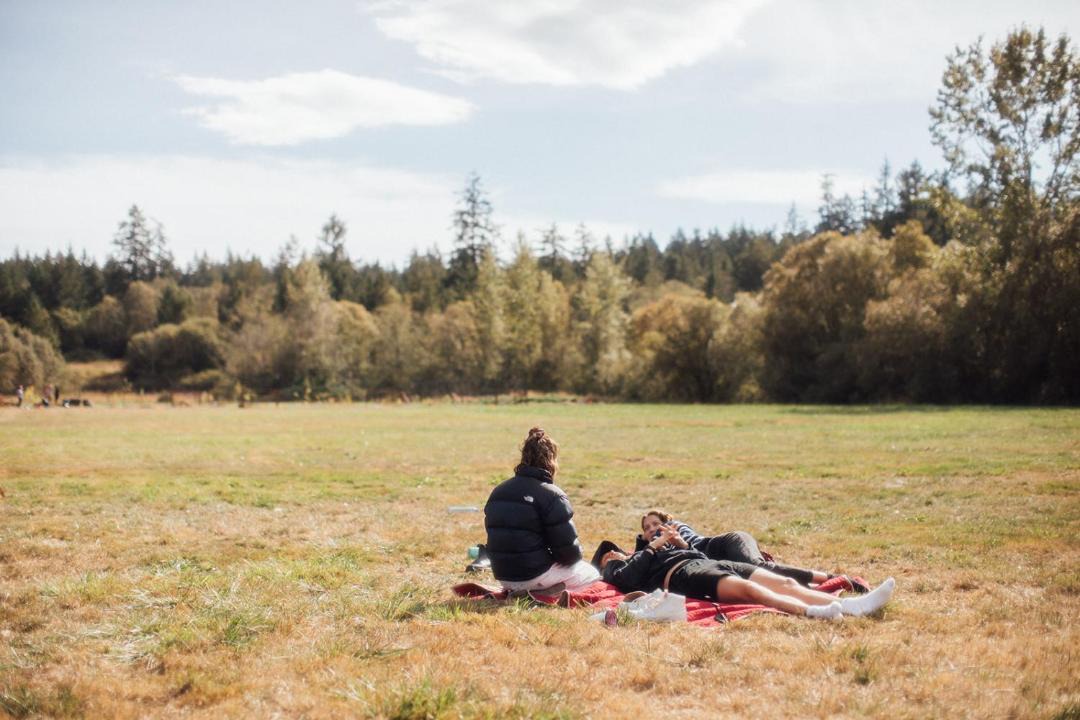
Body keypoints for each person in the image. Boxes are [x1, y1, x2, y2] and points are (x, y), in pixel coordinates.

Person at [597, 525, 896, 620]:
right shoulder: (620, 566)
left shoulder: (644, 551)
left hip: (703, 561)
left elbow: (700, 553)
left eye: (615, 550)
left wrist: (678, 543)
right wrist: (653, 548)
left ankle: (852, 606)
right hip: (682, 574)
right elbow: (626, 581)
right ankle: (815, 612)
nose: (615, 553)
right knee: (752, 593)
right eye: (609, 554)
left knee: (785, 581)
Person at [636, 509, 869, 592]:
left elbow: (696, 553)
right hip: (728, 566)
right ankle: (816, 585)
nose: (653, 529)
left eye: (656, 523)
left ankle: (838, 579)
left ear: (668, 522)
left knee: (760, 567)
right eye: (647, 528)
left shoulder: (677, 529)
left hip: (730, 543)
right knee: (765, 580)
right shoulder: (658, 550)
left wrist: (675, 541)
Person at [484, 427, 599, 593]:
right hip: (534, 575)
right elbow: (569, 555)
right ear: (551, 459)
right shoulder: (552, 495)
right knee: (592, 574)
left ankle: (535, 590)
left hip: (503, 577)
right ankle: (544, 593)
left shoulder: (498, 490)